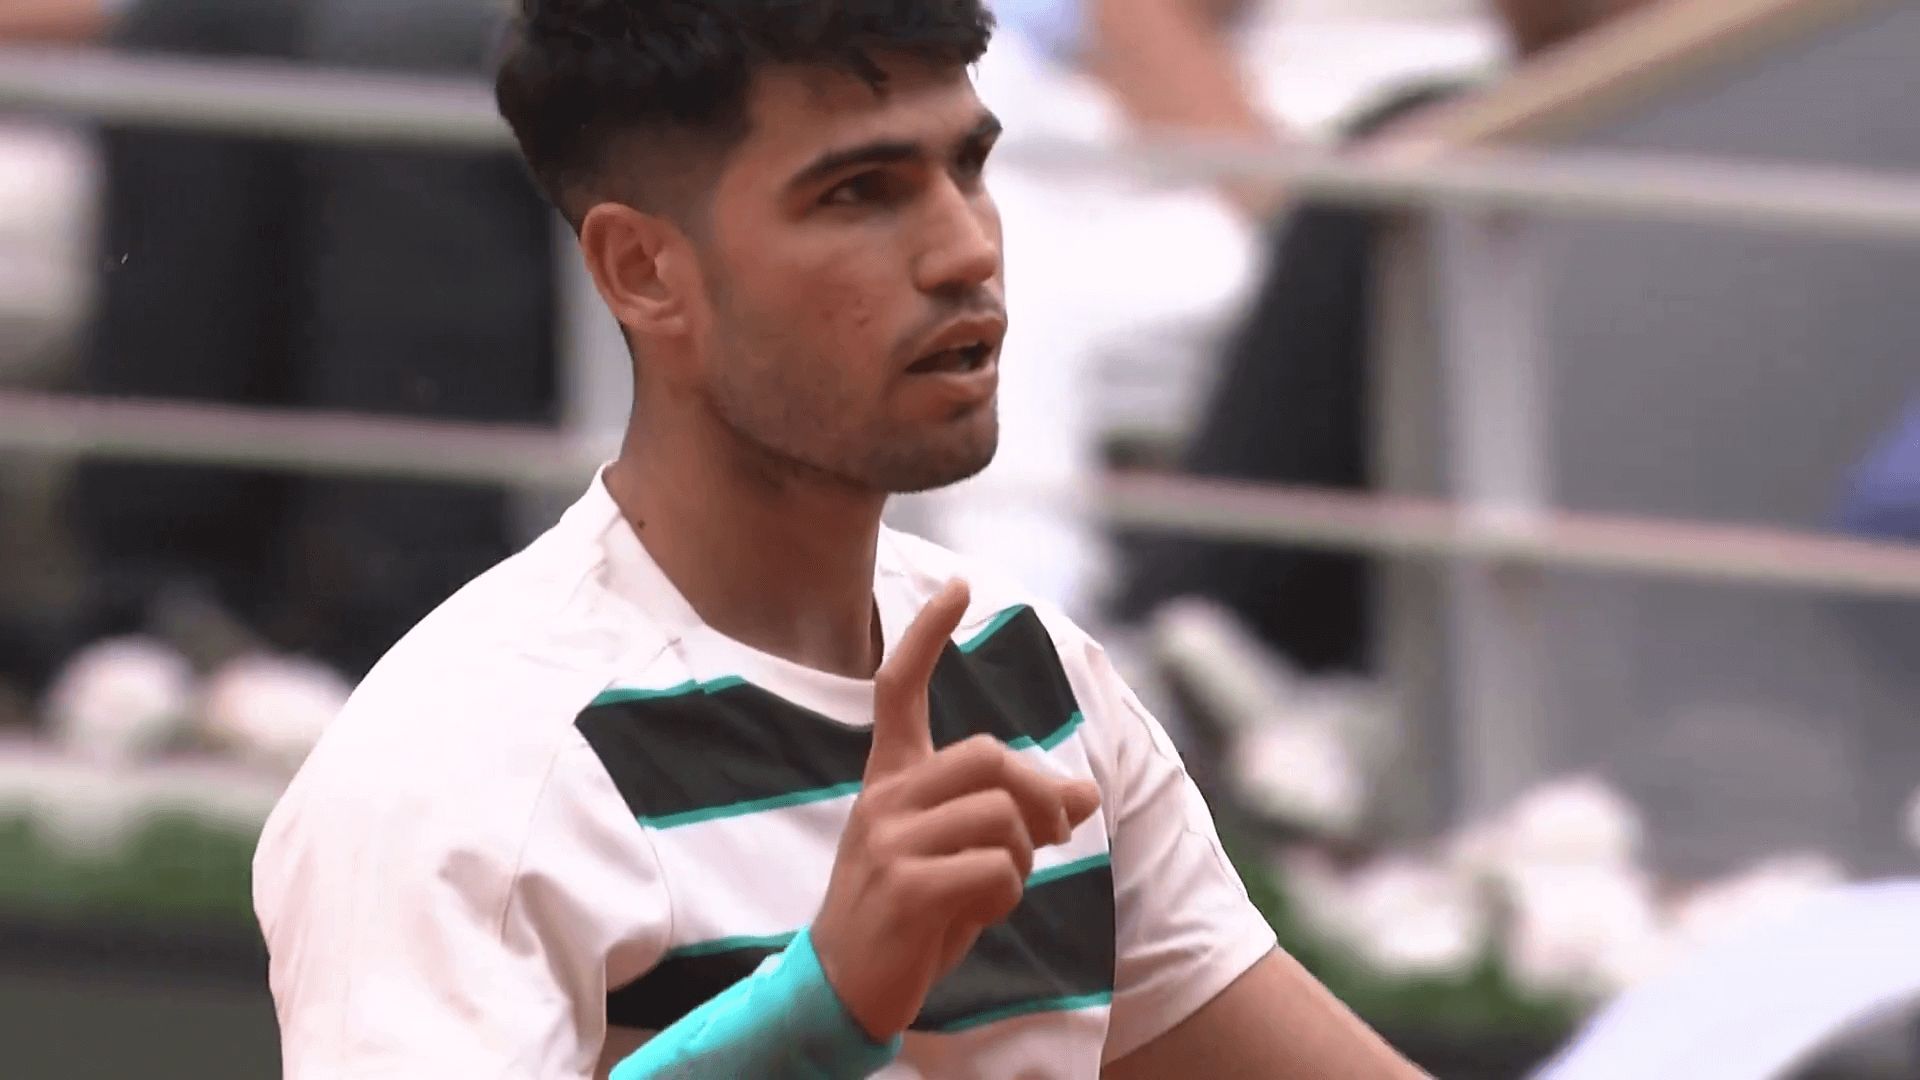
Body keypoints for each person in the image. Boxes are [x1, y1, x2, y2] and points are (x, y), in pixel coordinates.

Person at [251, 2, 1426, 1077]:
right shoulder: (456, 769)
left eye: (968, 165)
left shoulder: (1039, 675)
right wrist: (820, 1007)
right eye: (859, 192)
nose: (962, 249)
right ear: (641, 270)